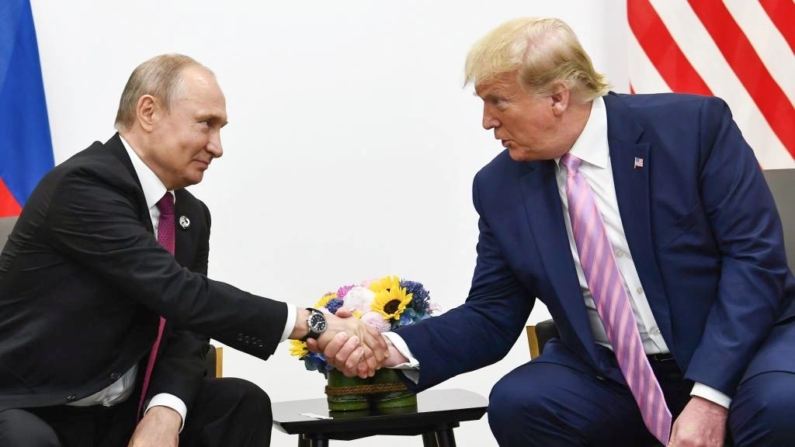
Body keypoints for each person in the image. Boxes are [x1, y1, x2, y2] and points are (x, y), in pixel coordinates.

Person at [313, 17, 795, 447]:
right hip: (612, 373)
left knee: (782, 404)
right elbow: (492, 313)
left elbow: (755, 264)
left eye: (498, 101)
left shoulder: (691, 128)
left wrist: (710, 395)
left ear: (558, 96)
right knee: (523, 402)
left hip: (742, 353)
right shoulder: (500, 186)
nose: (486, 121)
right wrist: (391, 347)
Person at [0, 54, 386, 447]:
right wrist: (312, 323)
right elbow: (179, 292)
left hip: (118, 410)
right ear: (148, 111)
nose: (217, 147)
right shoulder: (83, 186)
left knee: (240, 403)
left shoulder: (188, 214)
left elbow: (187, 327)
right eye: (206, 124)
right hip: (30, 404)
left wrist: (166, 410)